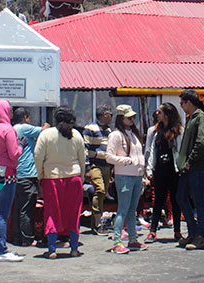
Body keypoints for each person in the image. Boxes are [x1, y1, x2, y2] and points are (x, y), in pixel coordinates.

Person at [34, 106, 86, 259]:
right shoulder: (76, 134)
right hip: (74, 178)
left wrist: (40, 176)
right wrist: (81, 177)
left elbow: (38, 156)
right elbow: (82, 158)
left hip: (52, 179)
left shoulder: (46, 134)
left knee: (51, 212)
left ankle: (52, 250)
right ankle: (74, 248)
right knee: (73, 213)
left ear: (55, 119)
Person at [106, 104, 149, 254]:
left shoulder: (134, 134)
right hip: (124, 175)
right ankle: (117, 240)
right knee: (123, 209)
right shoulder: (116, 135)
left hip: (136, 176)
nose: (132, 120)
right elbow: (109, 157)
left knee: (132, 210)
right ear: (121, 118)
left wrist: (142, 174)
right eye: (129, 117)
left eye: (133, 117)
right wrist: (126, 161)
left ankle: (132, 239)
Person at [0, 99, 24, 262]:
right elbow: (14, 154)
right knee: (3, 214)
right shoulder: (8, 129)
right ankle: (2, 251)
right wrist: (21, 145)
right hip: (6, 173)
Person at [176, 89, 204, 250]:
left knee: (198, 201)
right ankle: (192, 231)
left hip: (195, 167)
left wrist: (190, 161)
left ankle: (200, 236)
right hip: (186, 168)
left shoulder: (200, 118)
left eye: (182, 103)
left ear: (188, 102)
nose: (181, 106)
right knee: (181, 197)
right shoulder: (191, 118)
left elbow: (202, 142)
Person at [145, 102, 183, 243]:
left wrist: (182, 167)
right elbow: (151, 151)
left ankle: (177, 231)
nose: (157, 114)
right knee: (158, 200)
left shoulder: (178, 130)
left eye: (160, 112)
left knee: (176, 201)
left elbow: (180, 150)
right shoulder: (154, 130)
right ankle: (153, 231)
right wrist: (149, 169)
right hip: (160, 168)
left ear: (167, 115)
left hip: (174, 170)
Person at [12, 107, 49, 247]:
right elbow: (46, 131)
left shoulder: (13, 129)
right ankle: (27, 238)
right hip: (27, 174)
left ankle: (17, 237)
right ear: (25, 118)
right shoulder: (25, 128)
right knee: (27, 209)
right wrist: (46, 125)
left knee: (18, 207)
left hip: (16, 174)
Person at [83, 105, 113, 235]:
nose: (112, 116)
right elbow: (85, 149)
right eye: (110, 114)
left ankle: (95, 222)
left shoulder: (108, 130)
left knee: (103, 193)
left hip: (107, 166)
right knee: (99, 190)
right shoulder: (90, 129)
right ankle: (97, 223)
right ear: (104, 115)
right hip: (95, 165)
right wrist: (87, 168)